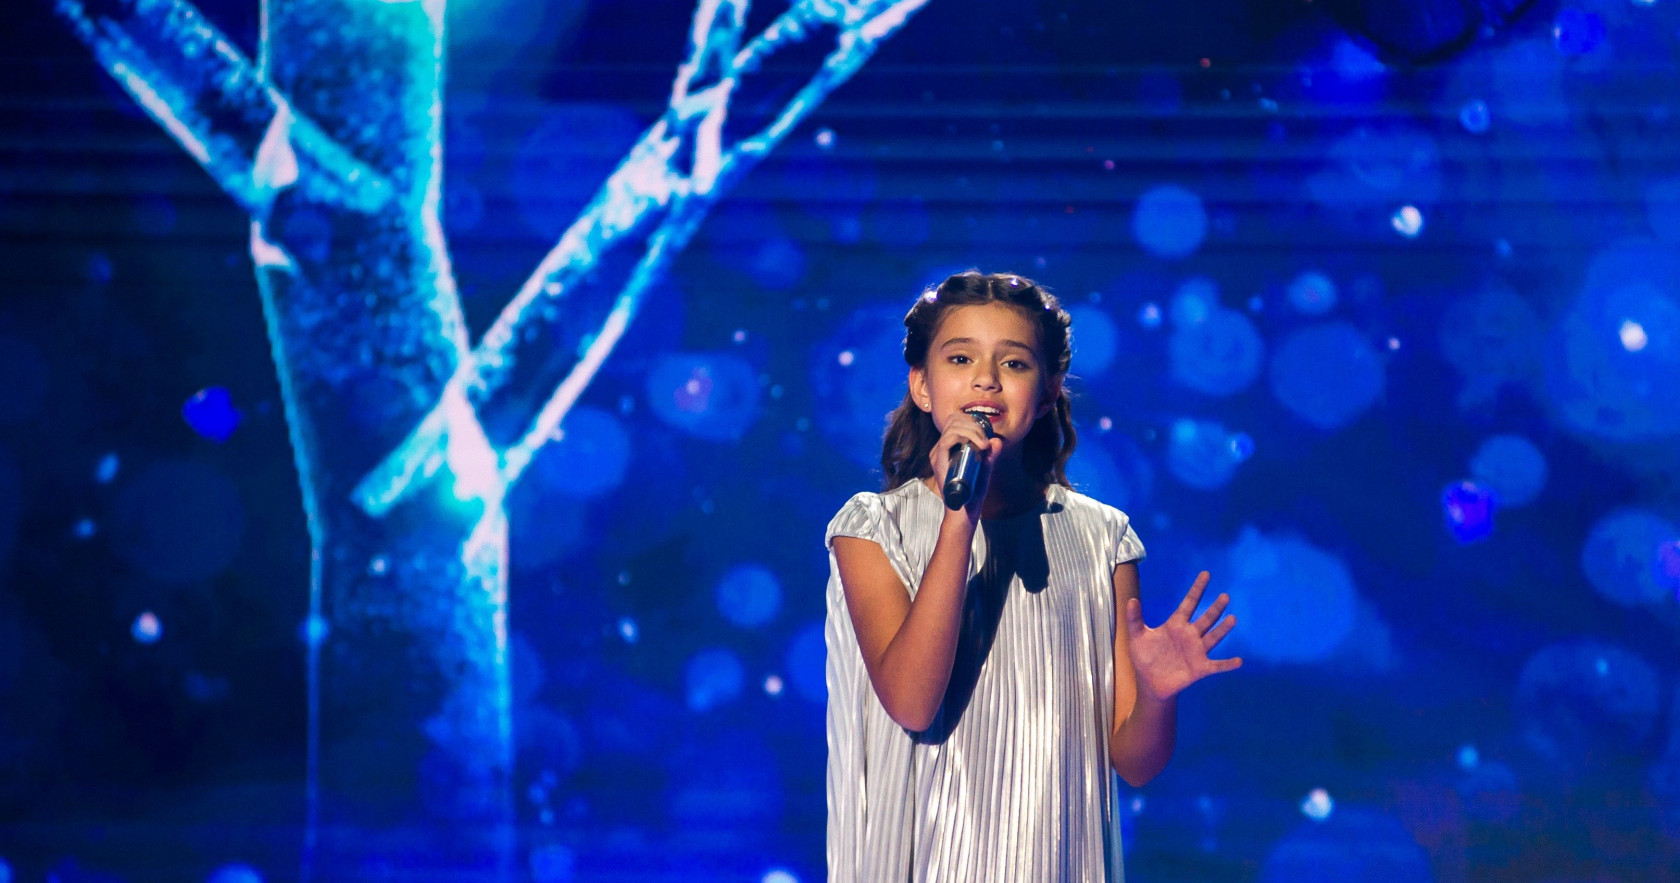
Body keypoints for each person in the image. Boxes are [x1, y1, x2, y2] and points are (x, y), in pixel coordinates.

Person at [823, 271, 1242, 881]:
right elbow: (912, 704)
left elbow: (1136, 763)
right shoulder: (870, 527)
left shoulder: (1102, 539)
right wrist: (959, 520)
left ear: (1047, 392)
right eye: (960, 358)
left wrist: (1156, 694)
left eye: (1014, 363)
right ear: (921, 386)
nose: (986, 379)